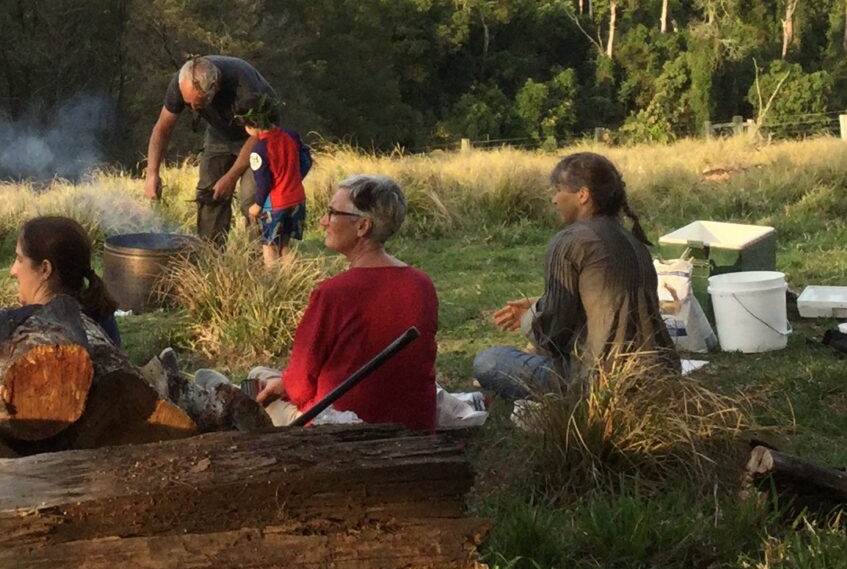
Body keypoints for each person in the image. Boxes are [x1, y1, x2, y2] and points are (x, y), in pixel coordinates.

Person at [474, 151, 670, 402]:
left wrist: (529, 317)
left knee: (488, 361)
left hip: (601, 382)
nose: (554, 199)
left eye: (558, 190)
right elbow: (608, 303)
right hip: (658, 374)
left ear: (583, 195)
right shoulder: (634, 240)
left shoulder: (570, 241)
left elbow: (555, 333)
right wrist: (540, 304)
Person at [258, 174, 438, 429]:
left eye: (332, 213)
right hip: (414, 426)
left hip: (340, 430)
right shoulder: (422, 284)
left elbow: (299, 388)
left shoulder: (333, 293)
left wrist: (284, 384)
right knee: (270, 378)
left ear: (362, 226)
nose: (323, 222)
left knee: (257, 378)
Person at [143, 53, 276, 245]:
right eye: (188, 103)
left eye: (198, 104)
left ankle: (258, 263)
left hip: (259, 135)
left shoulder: (245, 87)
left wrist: (230, 177)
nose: (192, 109)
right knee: (210, 194)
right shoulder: (181, 83)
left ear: (215, 88)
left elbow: (258, 134)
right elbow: (162, 129)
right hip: (219, 134)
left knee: (251, 198)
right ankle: (211, 257)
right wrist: (152, 173)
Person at [0, 214, 125, 347]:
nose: (12, 271)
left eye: (20, 259)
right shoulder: (103, 318)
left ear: (45, 269)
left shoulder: (0, 328)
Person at [240, 98, 310, 265]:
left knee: (269, 245)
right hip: (297, 199)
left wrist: (257, 204)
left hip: (276, 204)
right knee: (285, 245)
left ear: (252, 125)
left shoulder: (258, 150)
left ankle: (273, 283)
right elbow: (306, 160)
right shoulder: (291, 135)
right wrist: (295, 179)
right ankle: (292, 278)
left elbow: (264, 183)